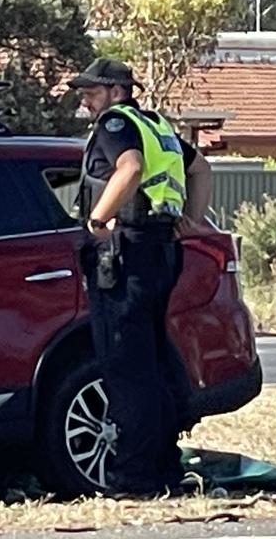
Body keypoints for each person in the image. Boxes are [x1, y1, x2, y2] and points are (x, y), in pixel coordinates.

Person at [69, 58, 213, 496]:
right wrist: (191, 218)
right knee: (151, 363)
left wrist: (97, 220)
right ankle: (165, 467)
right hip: (161, 249)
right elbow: (201, 167)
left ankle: (135, 476)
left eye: (93, 91)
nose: (85, 99)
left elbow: (128, 170)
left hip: (127, 251)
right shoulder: (157, 124)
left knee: (126, 365)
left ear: (117, 91)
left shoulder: (117, 124)